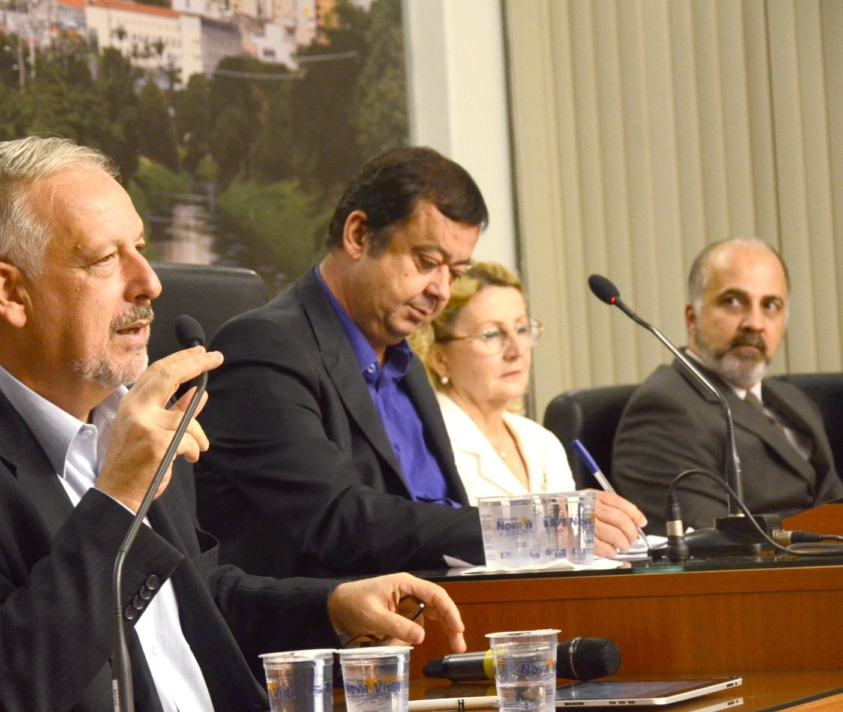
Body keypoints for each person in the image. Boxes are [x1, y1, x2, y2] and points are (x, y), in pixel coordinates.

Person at [0, 137, 467, 712]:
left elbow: (194, 602)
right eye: (106, 260)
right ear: (10, 292)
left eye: (142, 250)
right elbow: (0, 703)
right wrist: (118, 495)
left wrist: (328, 605)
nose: (150, 282)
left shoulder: (128, 416)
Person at [194, 147, 643, 579]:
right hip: (326, 639)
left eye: (456, 273)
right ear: (358, 236)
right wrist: (530, 526)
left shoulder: (405, 364)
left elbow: (437, 518)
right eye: (427, 262)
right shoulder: (266, 347)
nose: (442, 290)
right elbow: (339, 521)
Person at [613, 238, 843, 532]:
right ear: (692, 318)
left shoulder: (792, 399)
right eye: (733, 302)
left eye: (770, 305)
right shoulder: (663, 409)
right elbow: (714, 544)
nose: (754, 323)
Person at [409, 262, 573, 499]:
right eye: (492, 334)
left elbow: (569, 536)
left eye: (521, 328)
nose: (516, 350)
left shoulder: (542, 442)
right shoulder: (428, 446)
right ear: (440, 358)